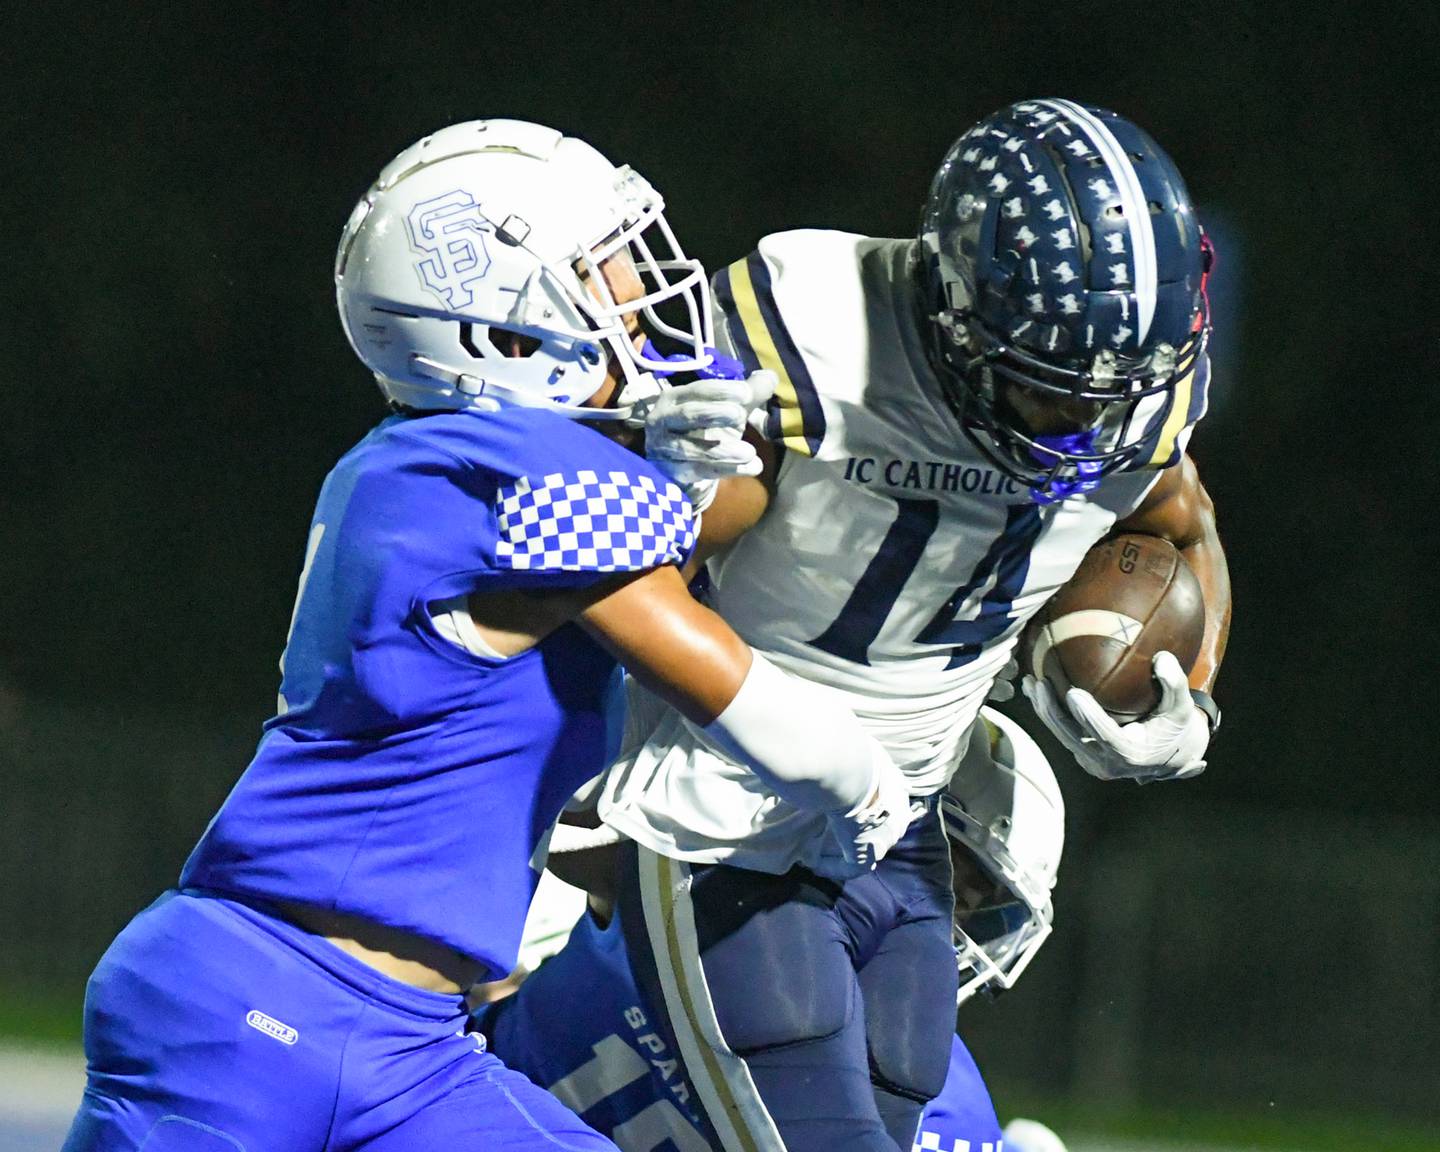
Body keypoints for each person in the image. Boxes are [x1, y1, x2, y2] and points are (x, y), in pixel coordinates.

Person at [61, 119, 915, 1152]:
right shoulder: (485, 462)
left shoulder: (450, 472)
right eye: (603, 275)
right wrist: (865, 778)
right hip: (257, 1004)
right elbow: (713, 669)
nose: (637, 302)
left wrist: (667, 474)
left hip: (411, 1046)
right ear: (502, 330)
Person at [586, 98, 1231, 1152]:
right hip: (727, 813)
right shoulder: (819, 337)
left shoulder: (1128, 400)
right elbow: (620, 572)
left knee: (889, 1117)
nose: (1088, 426)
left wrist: (1188, 690)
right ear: (953, 307)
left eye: (1114, 396)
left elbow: (1184, 522)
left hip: (906, 831)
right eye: (1050, 389)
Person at [474, 707, 1071, 1152]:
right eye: (945, 880)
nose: (945, 933)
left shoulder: (671, 882)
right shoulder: (942, 1107)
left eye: (975, 908)